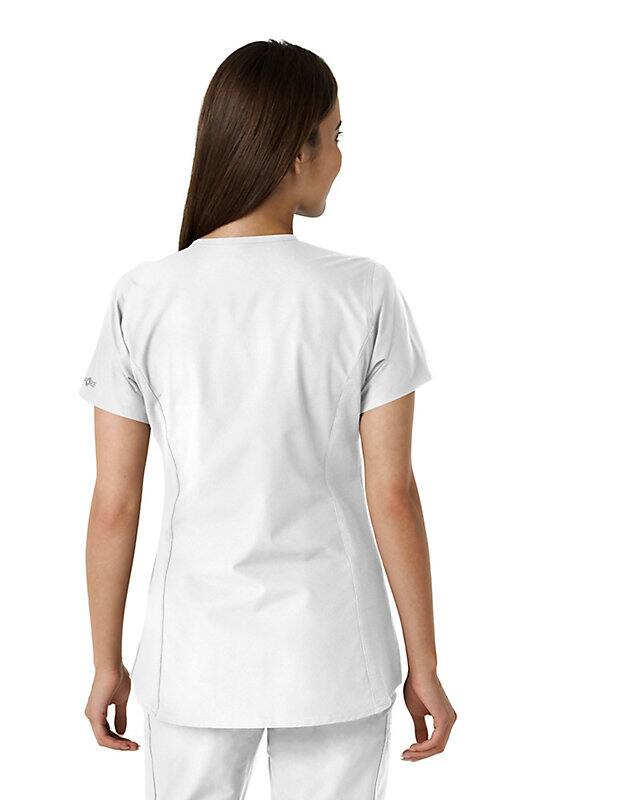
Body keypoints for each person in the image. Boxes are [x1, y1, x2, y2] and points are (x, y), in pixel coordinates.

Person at [78, 39, 456, 799]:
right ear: (295, 149)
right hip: (336, 652)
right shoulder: (364, 293)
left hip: (193, 657)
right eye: (336, 135)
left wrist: (105, 661)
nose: (340, 157)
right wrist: (425, 663)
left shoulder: (142, 297)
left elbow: (115, 503)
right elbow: (393, 494)